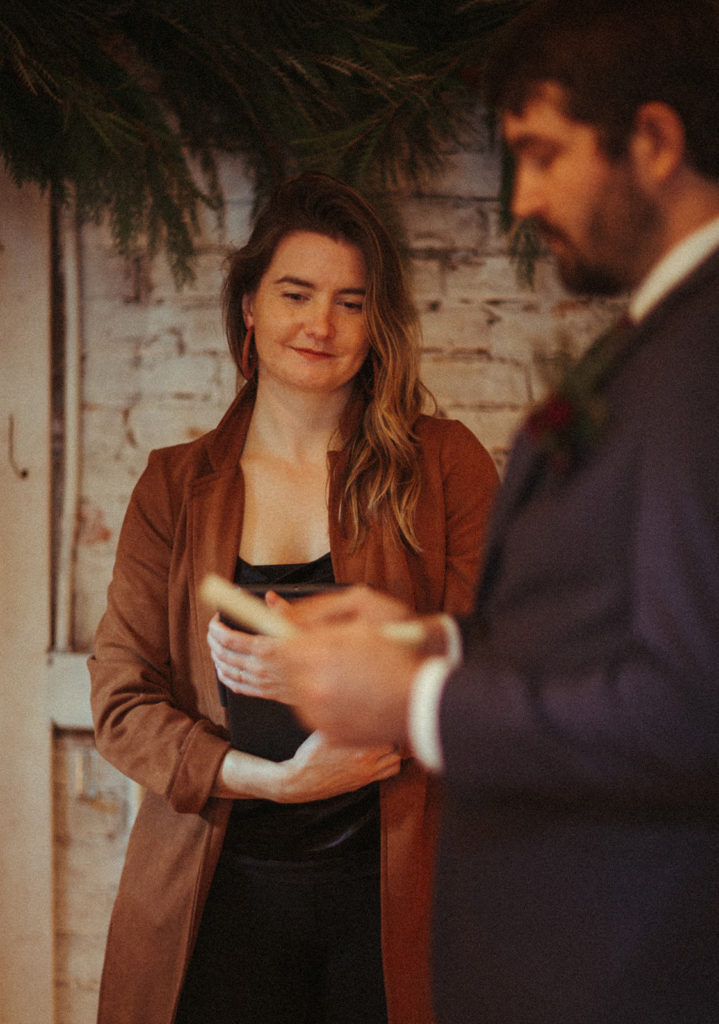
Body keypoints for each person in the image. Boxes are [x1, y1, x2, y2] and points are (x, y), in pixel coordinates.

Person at [269, 3, 719, 1023]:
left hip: (630, 969)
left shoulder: (702, 360)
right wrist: (427, 633)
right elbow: (602, 625)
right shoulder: (661, 338)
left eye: (541, 153)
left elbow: (693, 706)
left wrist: (416, 702)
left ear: (651, 141)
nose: (519, 199)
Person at [89, 171, 499, 1024]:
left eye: (351, 302)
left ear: (376, 323)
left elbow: (499, 657)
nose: (321, 325)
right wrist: (272, 779)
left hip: (395, 899)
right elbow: (122, 704)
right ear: (247, 304)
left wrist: (381, 661)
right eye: (296, 293)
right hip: (215, 904)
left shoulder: (445, 465)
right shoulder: (174, 485)